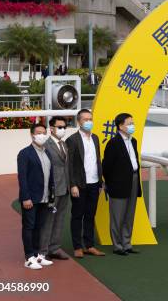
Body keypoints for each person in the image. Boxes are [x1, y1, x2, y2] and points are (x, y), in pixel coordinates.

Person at [67, 109, 105, 258]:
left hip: (94, 184)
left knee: (90, 215)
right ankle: (77, 247)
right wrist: (73, 185)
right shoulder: (72, 140)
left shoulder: (95, 138)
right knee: (77, 215)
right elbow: (69, 165)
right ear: (79, 122)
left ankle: (89, 245)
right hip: (79, 185)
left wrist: (100, 182)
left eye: (90, 119)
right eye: (85, 119)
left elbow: (97, 161)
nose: (89, 122)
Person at [102, 113, 142, 256]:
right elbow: (106, 167)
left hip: (134, 179)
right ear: (120, 126)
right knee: (117, 216)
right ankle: (117, 245)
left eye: (133, 123)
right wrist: (111, 184)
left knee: (129, 215)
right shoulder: (113, 143)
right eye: (129, 123)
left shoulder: (134, 141)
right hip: (118, 184)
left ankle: (127, 243)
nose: (132, 126)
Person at [17, 123, 55, 270]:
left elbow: (50, 176)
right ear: (32, 135)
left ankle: (38, 255)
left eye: (44, 132)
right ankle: (29, 257)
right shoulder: (25, 153)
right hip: (31, 198)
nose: (42, 135)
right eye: (38, 132)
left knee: (39, 227)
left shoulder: (47, 153)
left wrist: (51, 195)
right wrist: (26, 197)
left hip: (44, 197)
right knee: (29, 227)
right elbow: (22, 178)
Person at [39, 117, 71, 261]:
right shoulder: (45, 145)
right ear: (51, 128)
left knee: (60, 219)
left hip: (65, 188)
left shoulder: (64, 144)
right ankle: (43, 250)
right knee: (48, 220)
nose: (62, 129)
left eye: (64, 127)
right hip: (52, 189)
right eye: (59, 127)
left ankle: (55, 248)